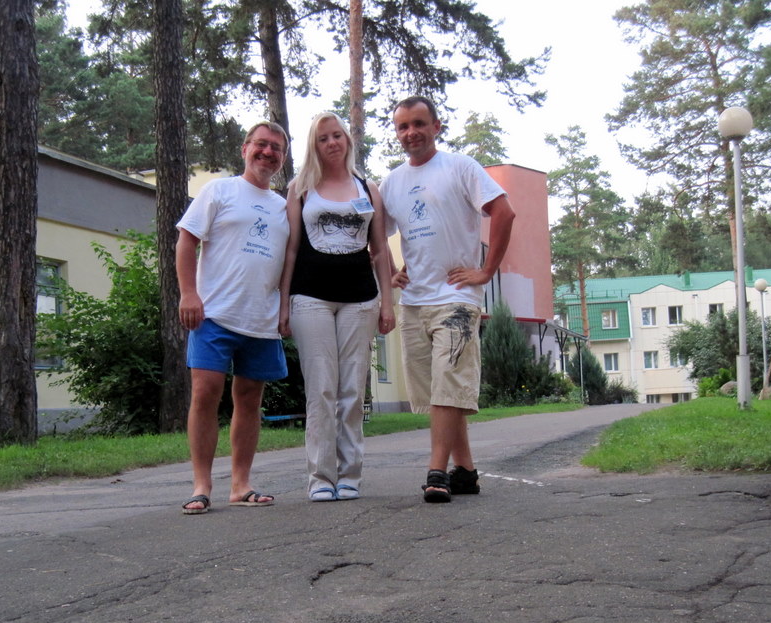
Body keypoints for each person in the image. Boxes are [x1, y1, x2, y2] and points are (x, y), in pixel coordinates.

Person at [379, 96, 516, 503]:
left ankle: (436, 472)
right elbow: (376, 235)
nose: (411, 133)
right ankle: (466, 472)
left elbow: (504, 212)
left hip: (456, 298)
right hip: (414, 301)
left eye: (419, 123)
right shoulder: (392, 183)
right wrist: (392, 271)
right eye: (403, 126)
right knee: (440, 392)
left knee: (448, 383)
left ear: (436, 127)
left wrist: (485, 271)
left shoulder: (460, 167)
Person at [279, 112, 396, 502]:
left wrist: (387, 303)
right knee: (321, 390)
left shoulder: (368, 188)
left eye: (337, 135)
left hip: (361, 299)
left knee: (351, 390)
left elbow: (380, 250)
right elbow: (291, 249)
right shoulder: (300, 188)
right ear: (314, 146)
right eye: (323, 138)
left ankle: (350, 475)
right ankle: (320, 478)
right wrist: (283, 305)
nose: (332, 143)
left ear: (347, 139)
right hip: (310, 298)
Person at [175, 121, 291, 513]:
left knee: (249, 399)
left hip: (261, 319)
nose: (268, 152)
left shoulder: (284, 207)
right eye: (261, 144)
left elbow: (290, 264)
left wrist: (285, 309)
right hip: (214, 313)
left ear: (282, 158)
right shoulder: (219, 190)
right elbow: (186, 241)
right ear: (245, 148)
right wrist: (188, 293)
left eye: (276, 148)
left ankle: (241, 485)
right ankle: (201, 485)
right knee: (205, 392)